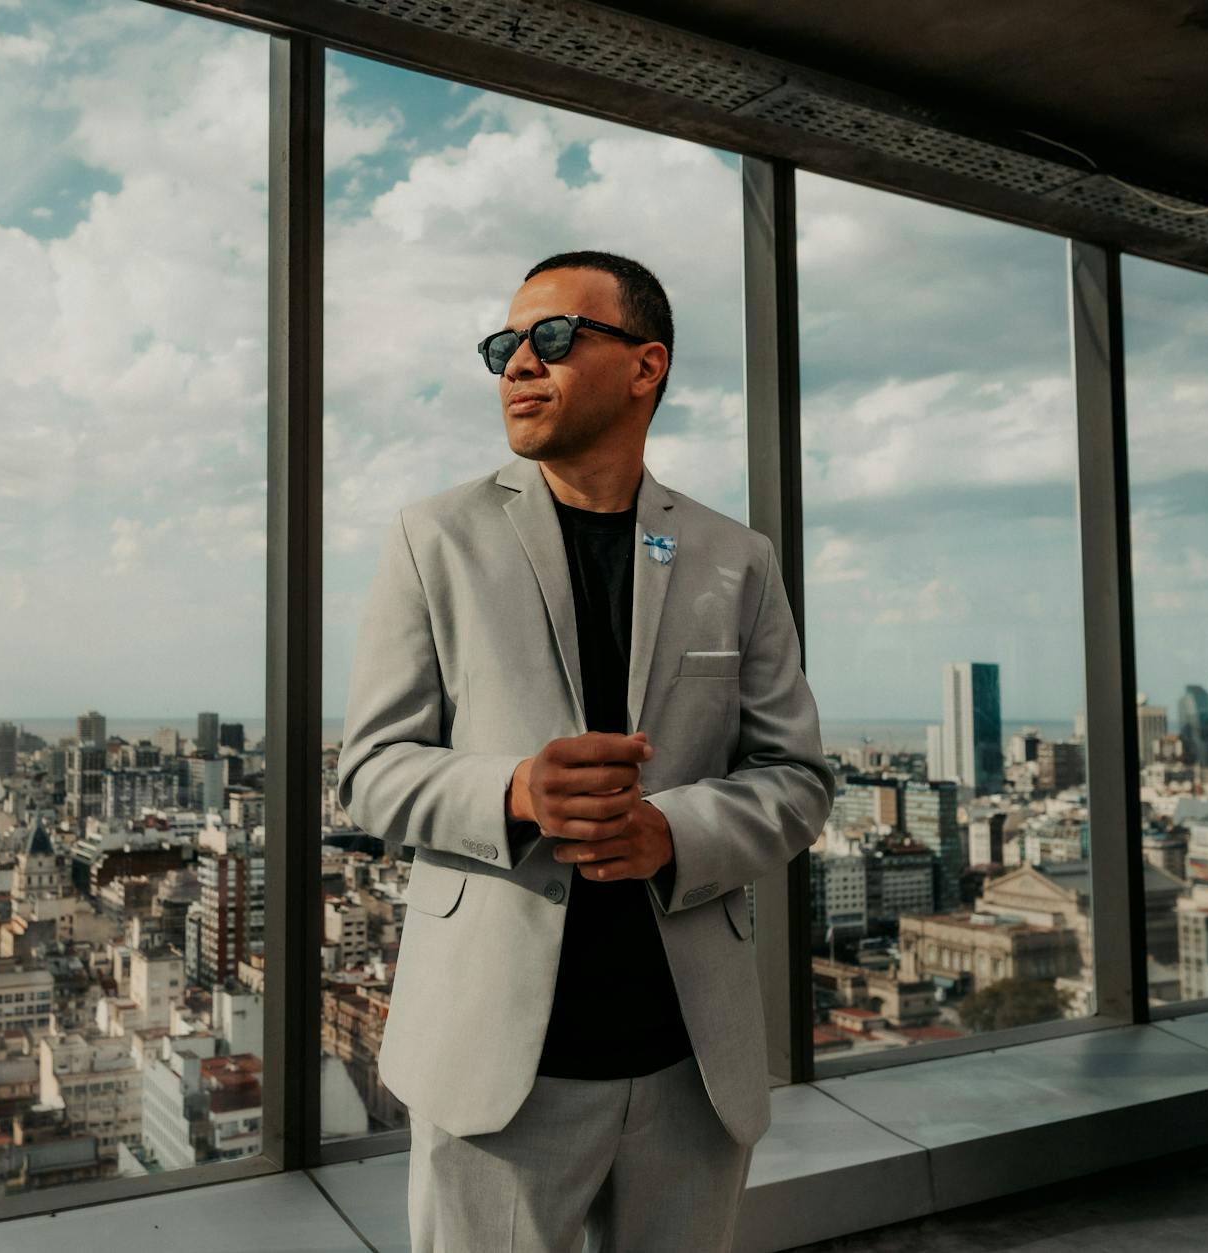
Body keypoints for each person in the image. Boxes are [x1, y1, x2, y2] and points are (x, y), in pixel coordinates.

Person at [335, 250, 836, 1251]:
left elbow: (798, 778)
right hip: (496, 1064)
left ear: (644, 365)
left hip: (690, 1061)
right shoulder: (432, 537)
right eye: (502, 345)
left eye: (551, 337)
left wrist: (672, 832)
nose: (516, 363)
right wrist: (513, 789)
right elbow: (369, 770)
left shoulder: (733, 557)